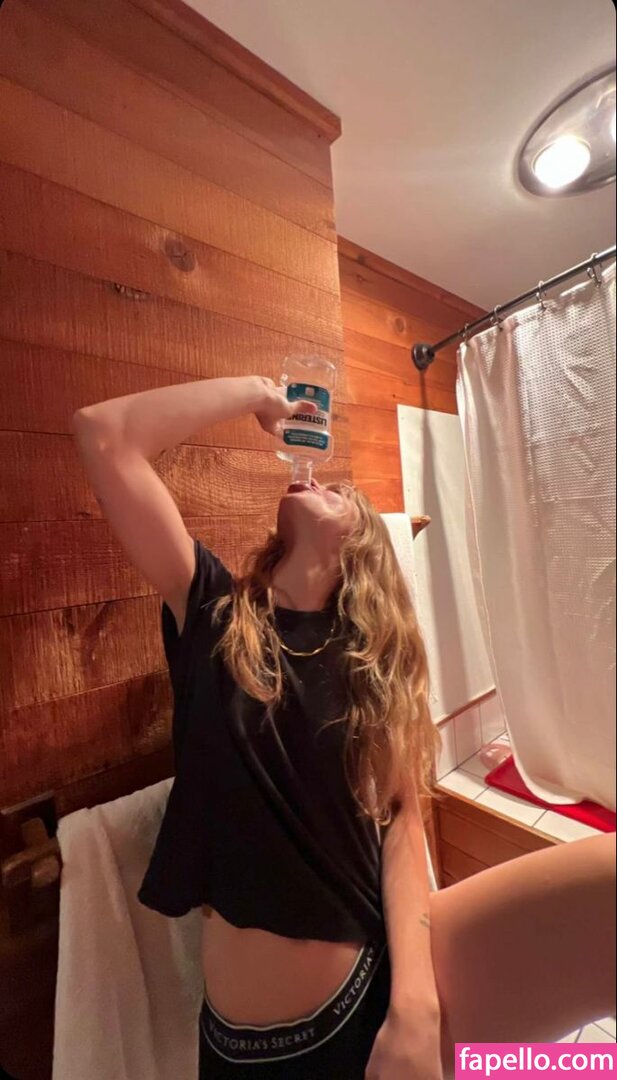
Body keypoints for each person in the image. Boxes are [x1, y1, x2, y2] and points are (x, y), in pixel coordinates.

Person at [73, 374, 616, 1079]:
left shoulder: (371, 667)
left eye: (340, 493)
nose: (320, 483)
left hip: (368, 998)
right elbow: (105, 435)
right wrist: (257, 395)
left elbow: (402, 823)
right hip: (232, 1049)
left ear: (362, 548)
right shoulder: (213, 611)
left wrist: (415, 1007)